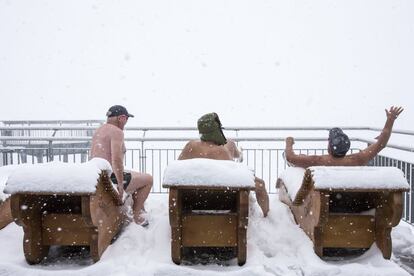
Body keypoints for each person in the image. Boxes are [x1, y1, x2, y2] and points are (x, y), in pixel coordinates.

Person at [179, 112, 269, 217]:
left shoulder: (190, 146)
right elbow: (235, 176)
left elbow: (178, 167)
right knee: (260, 183)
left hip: (193, 201)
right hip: (222, 203)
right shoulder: (224, 149)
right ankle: (267, 215)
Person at [90, 105, 153, 226]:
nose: (126, 123)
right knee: (148, 179)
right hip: (109, 178)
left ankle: (140, 209)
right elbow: (117, 160)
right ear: (122, 118)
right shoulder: (117, 132)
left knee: (139, 175)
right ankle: (135, 216)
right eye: (126, 119)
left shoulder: (99, 130)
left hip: (97, 174)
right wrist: (120, 184)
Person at [284, 106, 404, 168]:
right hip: (351, 206)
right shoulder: (357, 159)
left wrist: (289, 142)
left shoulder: (317, 161)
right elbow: (381, 144)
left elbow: (290, 157)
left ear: (330, 146)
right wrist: (390, 120)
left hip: (325, 206)